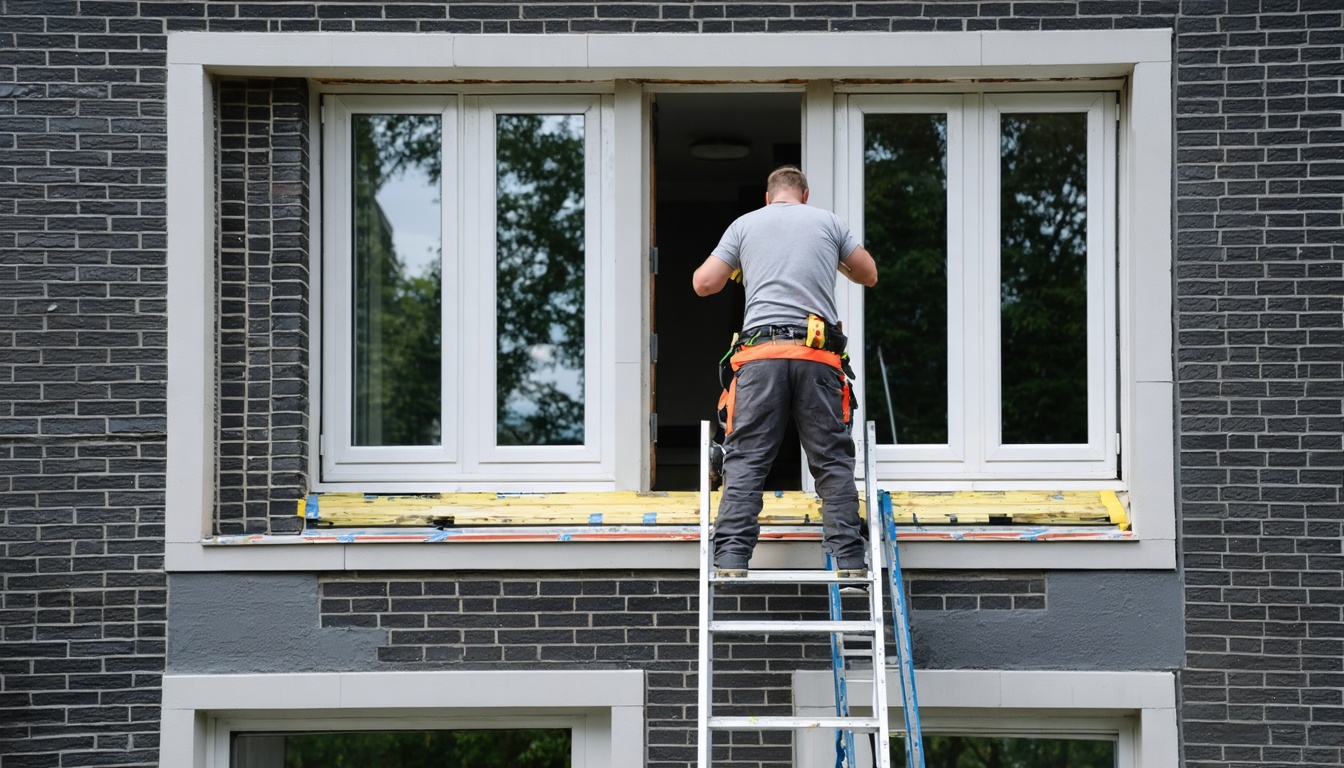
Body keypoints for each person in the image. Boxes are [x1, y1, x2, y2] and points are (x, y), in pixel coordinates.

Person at [692, 165, 878, 577]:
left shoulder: (744, 225)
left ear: (768, 197)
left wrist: (741, 265)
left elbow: (703, 284)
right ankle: (849, 563)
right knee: (831, 460)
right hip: (817, 357)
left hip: (760, 358)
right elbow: (869, 274)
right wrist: (835, 261)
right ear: (805, 195)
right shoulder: (828, 222)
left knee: (746, 458)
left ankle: (731, 559)